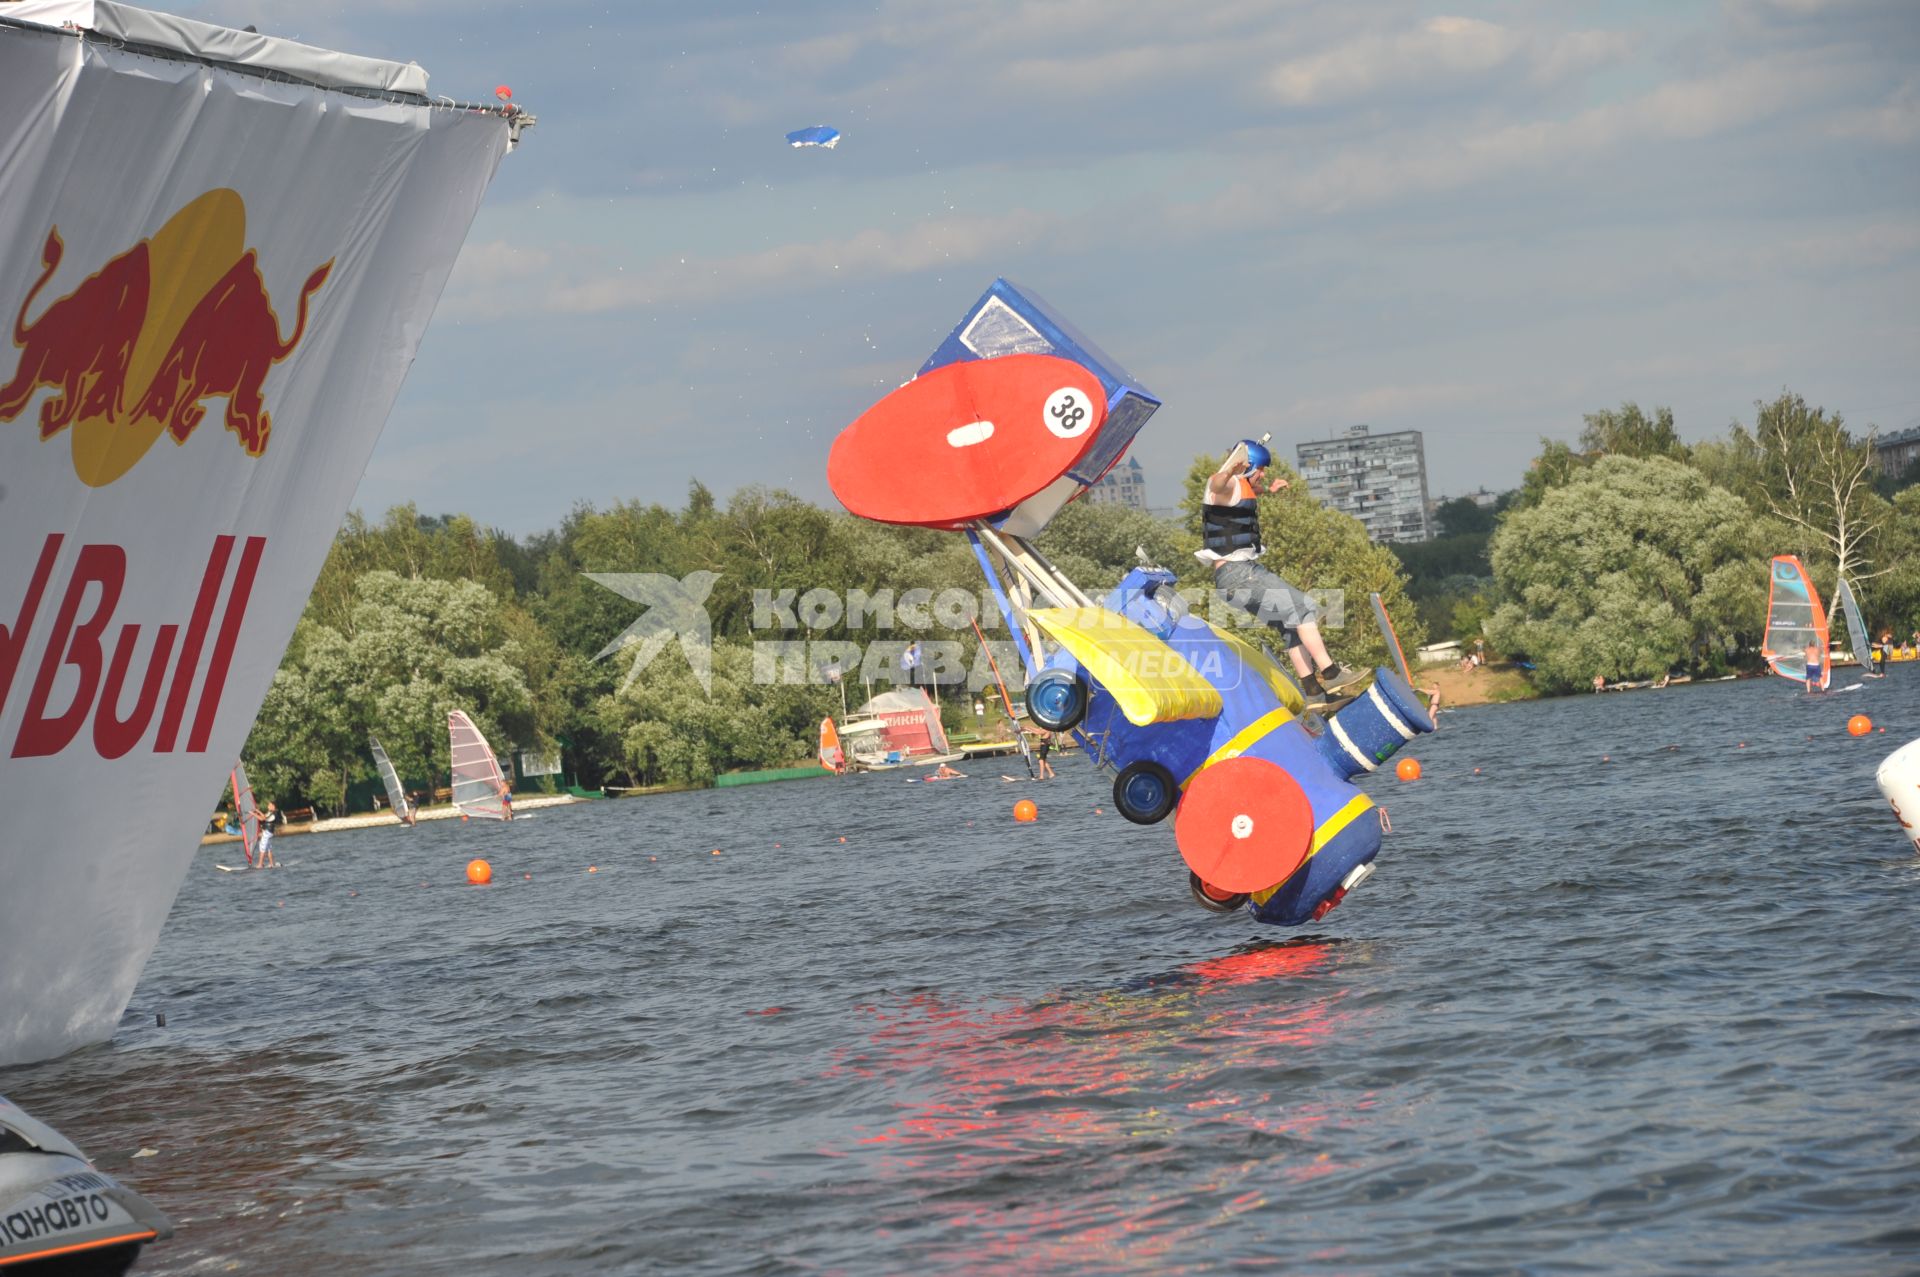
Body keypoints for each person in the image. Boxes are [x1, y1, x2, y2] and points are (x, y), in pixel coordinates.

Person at [1198, 439, 1365, 706]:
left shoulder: (1240, 488)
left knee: (1289, 626)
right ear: (1246, 466)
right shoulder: (1224, 483)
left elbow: (1247, 490)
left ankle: (1314, 693)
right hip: (1240, 573)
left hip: (1231, 580)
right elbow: (1217, 483)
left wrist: (1269, 489)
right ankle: (1331, 673)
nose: (1263, 475)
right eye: (1260, 470)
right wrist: (1230, 470)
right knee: (1303, 608)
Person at [258, 800, 283, 868]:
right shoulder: (270, 812)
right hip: (269, 832)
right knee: (269, 848)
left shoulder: (274, 813)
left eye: (269, 805)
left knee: (262, 848)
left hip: (267, 832)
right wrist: (257, 811)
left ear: (273, 806)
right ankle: (272, 864)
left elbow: (263, 818)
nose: (268, 806)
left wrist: (253, 813)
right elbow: (264, 816)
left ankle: (260, 865)